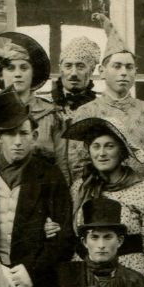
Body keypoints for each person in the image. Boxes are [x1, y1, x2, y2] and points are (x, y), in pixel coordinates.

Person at [0, 90, 76, 287]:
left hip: (37, 283)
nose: (18, 142)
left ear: (34, 136)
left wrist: (32, 271)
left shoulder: (50, 176)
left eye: (23, 134)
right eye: (10, 135)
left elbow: (64, 236)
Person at [67, 115, 144, 287]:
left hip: (129, 278)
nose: (102, 153)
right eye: (96, 146)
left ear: (121, 151)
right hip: (87, 278)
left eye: (109, 146)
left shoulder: (143, 189)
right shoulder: (80, 188)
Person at [62, 34, 144, 179]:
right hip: (98, 194)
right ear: (102, 72)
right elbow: (77, 163)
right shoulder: (86, 112)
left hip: (141, 194)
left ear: (135, 73)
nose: (124, 73)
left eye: (129, 67)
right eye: (117, 66)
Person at [0, 31, 57, 156]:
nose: (18, 74)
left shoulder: (50, 115)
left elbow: (62, 160)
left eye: (24, 68)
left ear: (33, 73)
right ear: (1, 75)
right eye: (10, 68)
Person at [49, 34, 101, 184]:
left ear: (91, 71)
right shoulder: (45, 106)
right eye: (68, 65)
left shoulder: (99, 109)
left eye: (80, 66)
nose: (73, 73)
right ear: (60, 69)